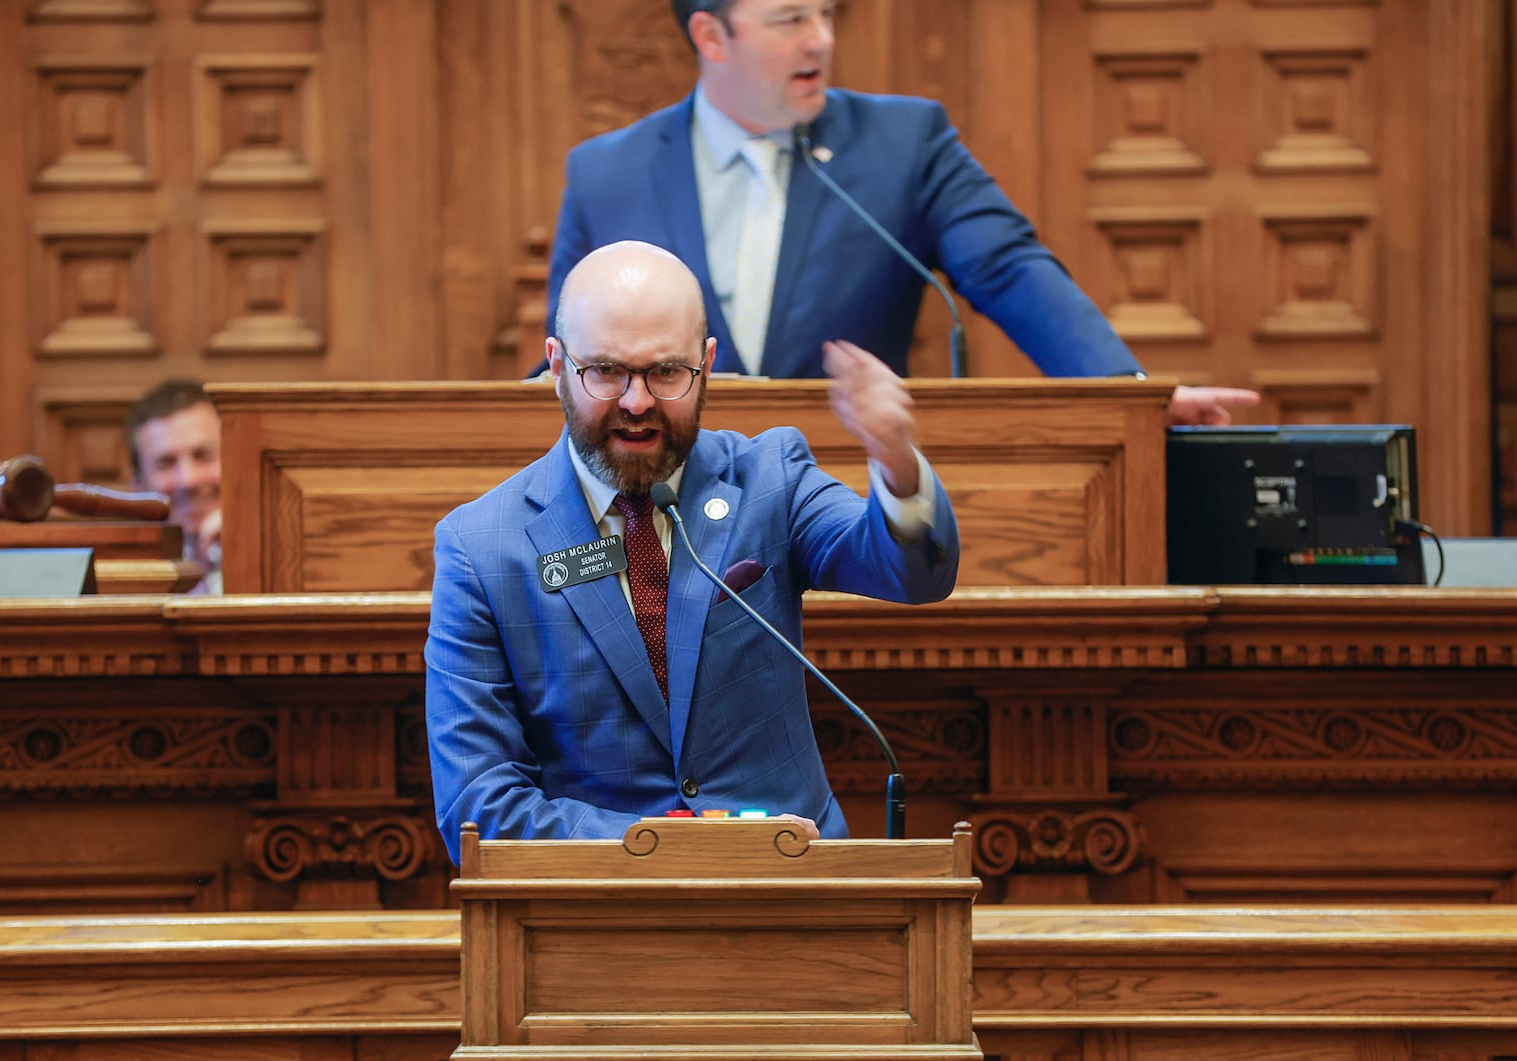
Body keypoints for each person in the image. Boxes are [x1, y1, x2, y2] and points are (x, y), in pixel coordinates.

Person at [427, 240, 959, 865]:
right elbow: (477, 803)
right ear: (556, 365)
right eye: (604, 370)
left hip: (796, 893)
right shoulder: (481, 547)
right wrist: (672, 851)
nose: (636, 401)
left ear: (706, 363)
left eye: (665, 372)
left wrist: (896, 465)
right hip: (597, 920)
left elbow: (913, 573)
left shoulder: (770, 479)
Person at [545, 0, 1258, 427]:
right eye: (791, 17)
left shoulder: (903, 143)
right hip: (664, 522)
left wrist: (1128, 396)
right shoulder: (608, 171)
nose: (820, 37)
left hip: (848, 502)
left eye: (825, 11)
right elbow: (564, 356)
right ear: (710, 36)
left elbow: (1010, 268)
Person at [126, 380, 223, 595]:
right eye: (166, 463)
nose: (189, 480)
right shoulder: (118, 580)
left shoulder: (282, 557)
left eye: (203, 456)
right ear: (138, 484)